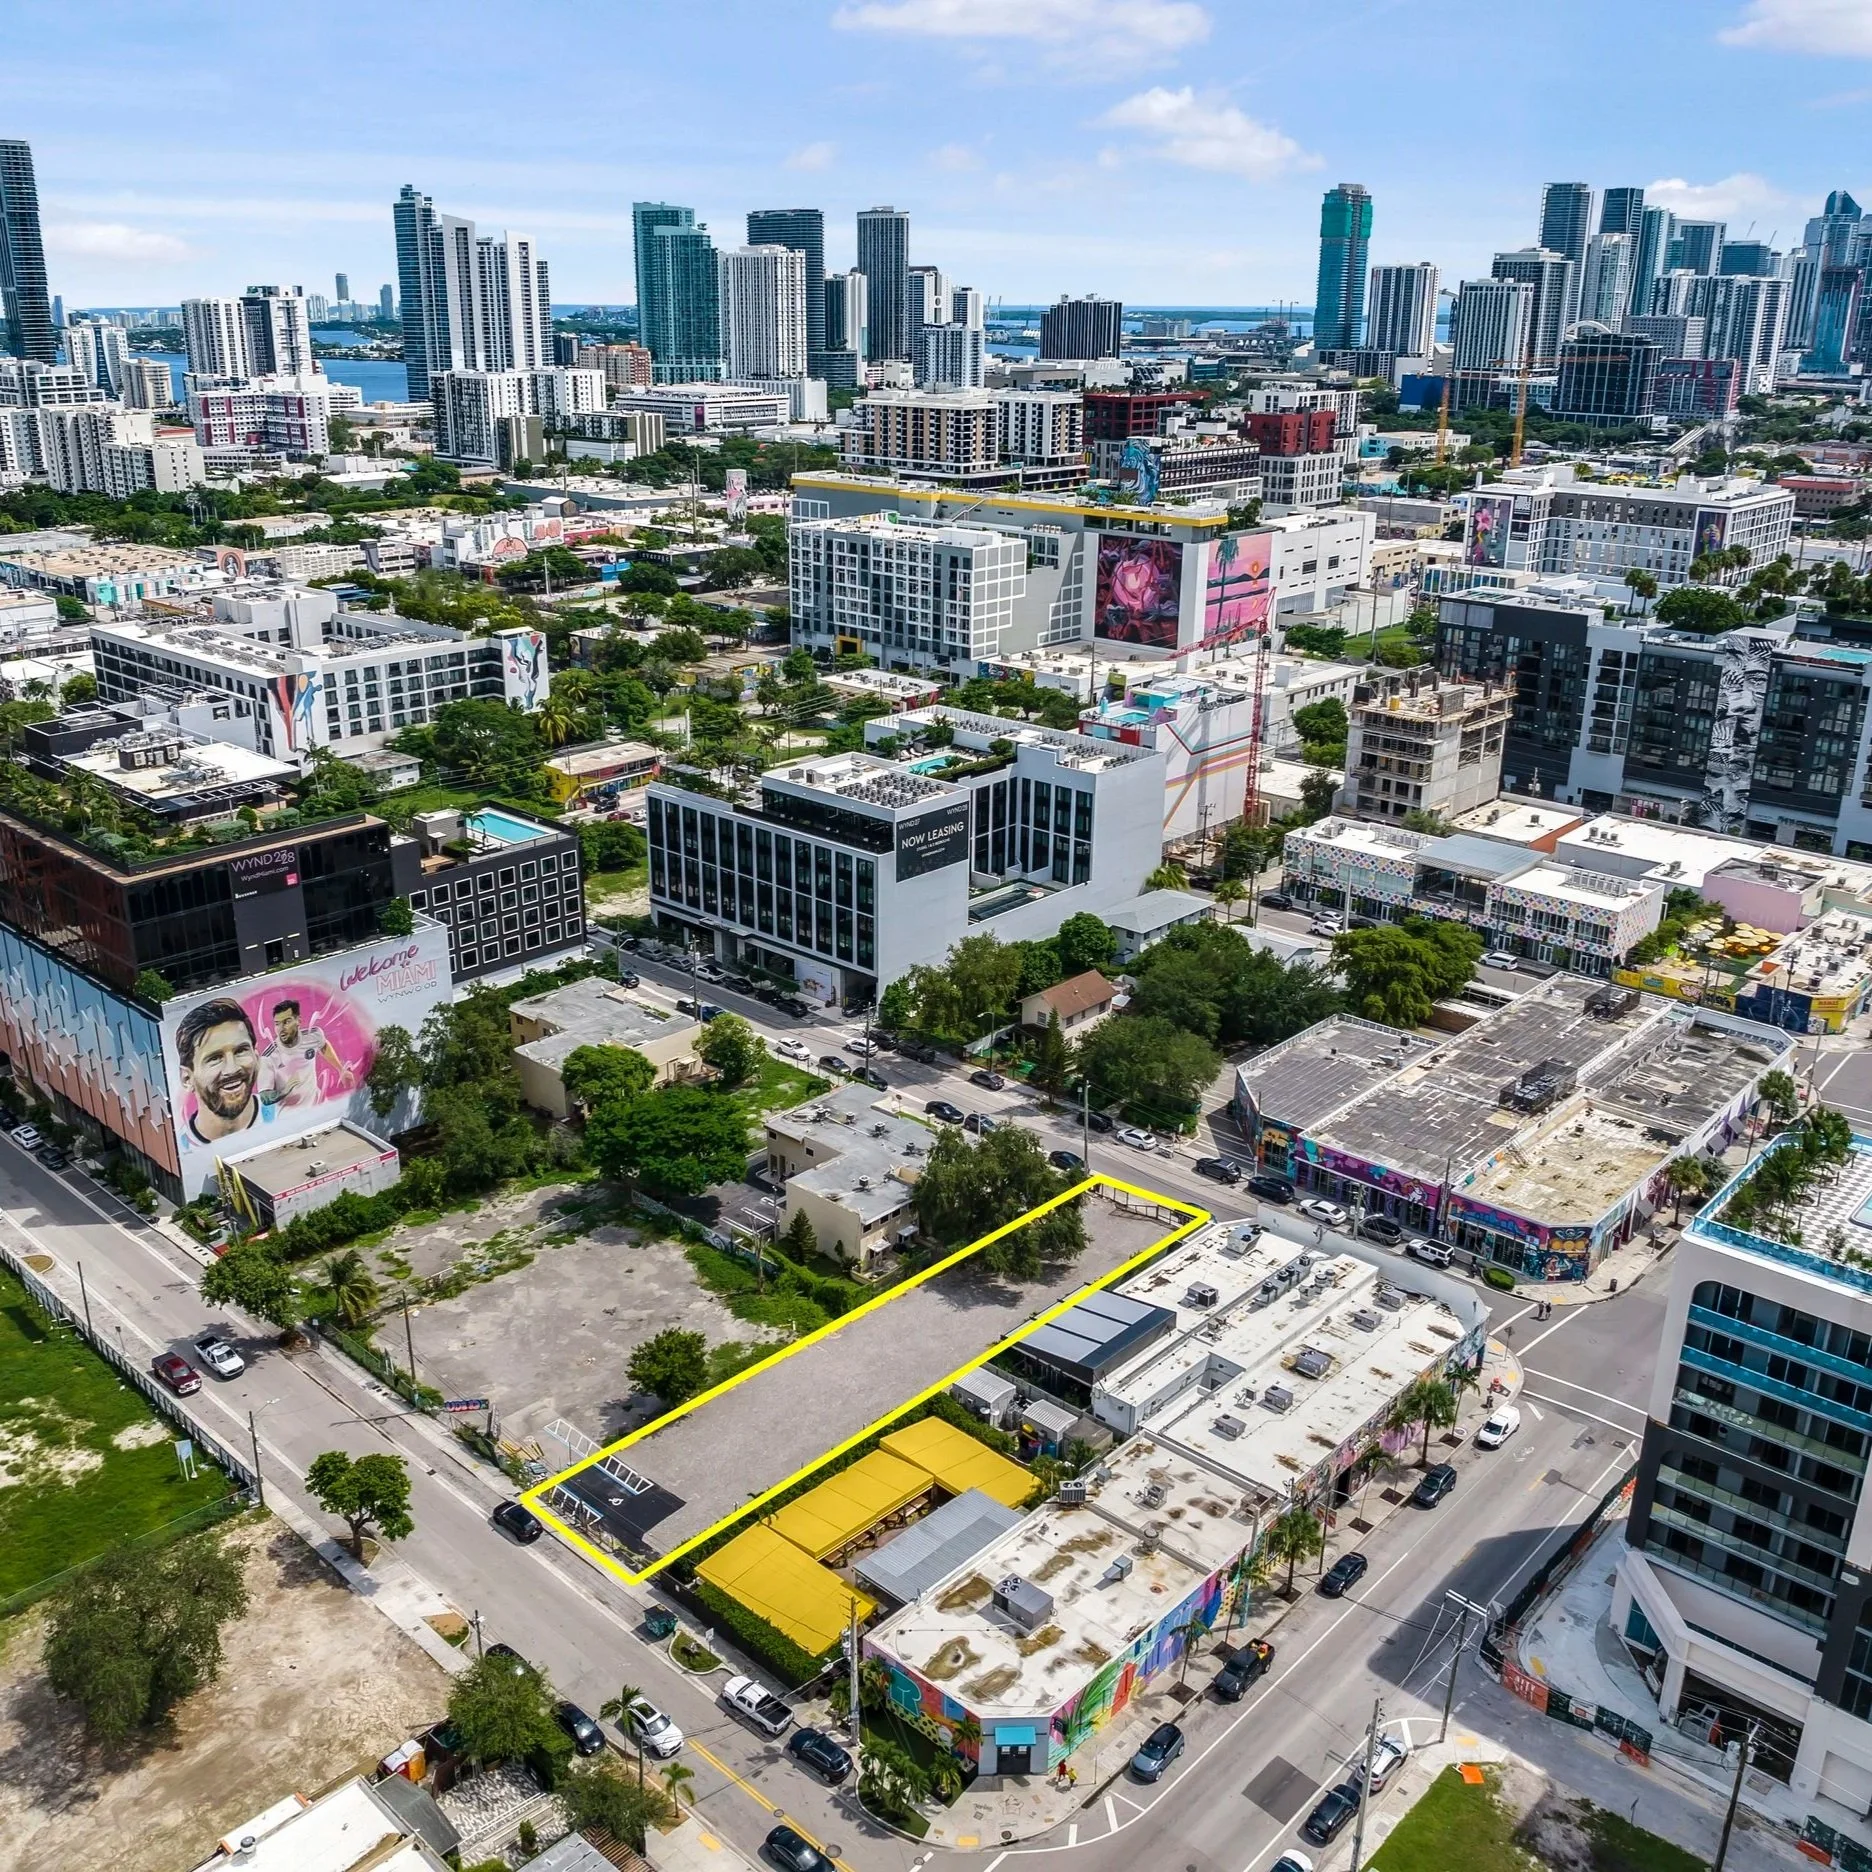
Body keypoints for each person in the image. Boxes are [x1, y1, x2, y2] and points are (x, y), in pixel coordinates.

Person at [175, 999, 263, 1145]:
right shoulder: (179, 1149)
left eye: (240, 1051)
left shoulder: (288, 1113)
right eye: (215, 1058)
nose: (232, 1069)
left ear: (257, 1057)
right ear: (187, 1078)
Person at [259, 998, 352, 1111]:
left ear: (298, 1021)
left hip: (318, 1104)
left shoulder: (313, 1036)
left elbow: (324, 1046)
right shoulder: (269, 1056)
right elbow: (264, 1097)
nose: (281, 1029)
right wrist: (285, 1090)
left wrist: (340, 1069)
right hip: (291, 1116)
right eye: (277, 1024)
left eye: (287, 1022)